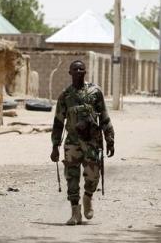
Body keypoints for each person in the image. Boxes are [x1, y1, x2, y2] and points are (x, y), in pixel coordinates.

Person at [50, 60, 115, 225]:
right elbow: (58, 122)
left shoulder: (95, 92)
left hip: (92, 141)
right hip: (72, 141)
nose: (79, 71)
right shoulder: (65, 95)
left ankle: (88, 197)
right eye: (75, 69)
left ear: (85, 72)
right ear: (70, 72)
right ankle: (75, 212)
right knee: (71, 176)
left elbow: (104, 116)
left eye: (81, 69)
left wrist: (110, 139)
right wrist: (55, 146)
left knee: (93, 176)